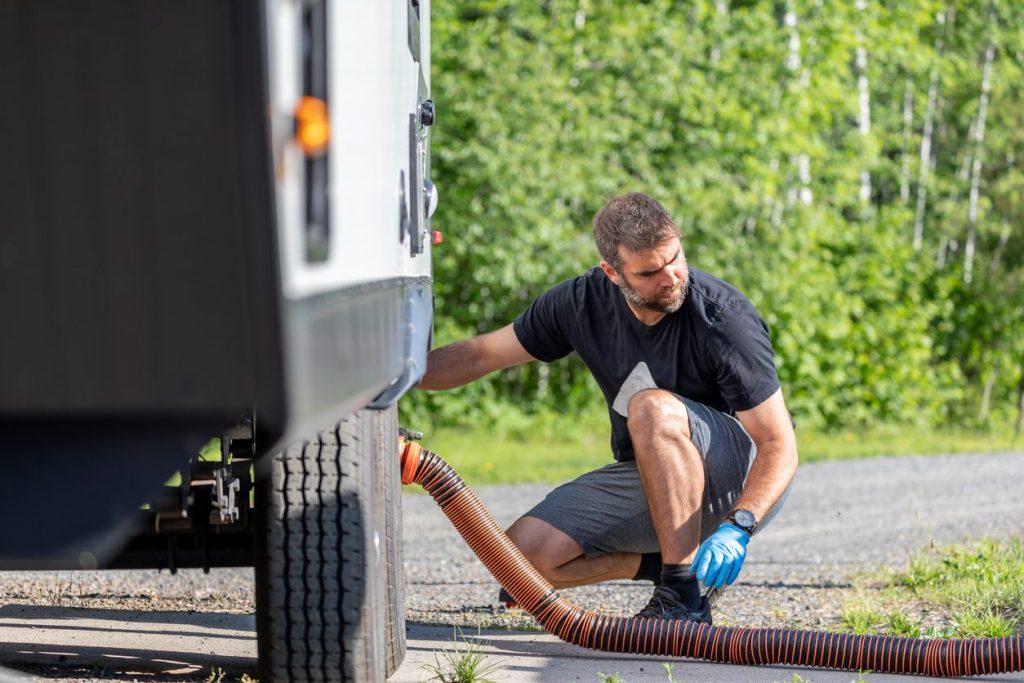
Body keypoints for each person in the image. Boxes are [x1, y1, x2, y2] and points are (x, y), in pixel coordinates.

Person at [417, 192, 798, 623]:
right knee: (521, 559)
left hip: (739, 482)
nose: (671, 277)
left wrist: (739, 526)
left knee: (650, 408)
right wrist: (397, 374)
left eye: (675, 258)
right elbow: (481, 354)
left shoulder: (722, 317)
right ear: (612, 273)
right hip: (659, 473)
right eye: (650, 272)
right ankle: (676, 572)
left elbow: (778, 443)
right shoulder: (580, 303)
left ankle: (681, 600)